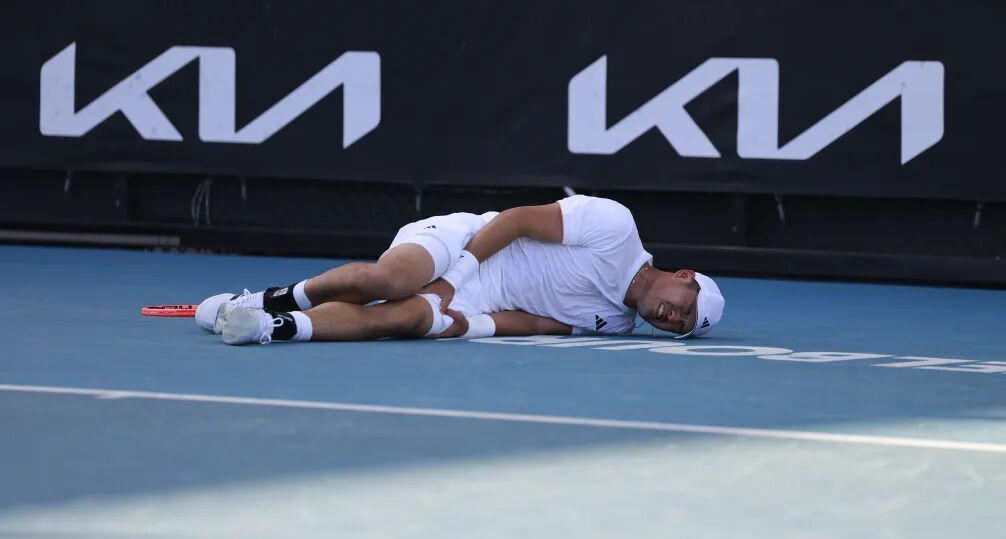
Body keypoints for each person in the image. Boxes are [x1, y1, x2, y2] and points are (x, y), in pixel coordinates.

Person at [196, 195, 725, 345]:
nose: (672, 318)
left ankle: (268, 327)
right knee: (389, 282)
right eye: (686, 308)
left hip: (478, 299)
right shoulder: (616, 226)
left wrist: (470, 324)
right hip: (465, 242)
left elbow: (537, 322)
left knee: (405, 317)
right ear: (685, 276)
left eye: (681, 327)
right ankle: (267, 298)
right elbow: (516, 220)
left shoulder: (618, 324)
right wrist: (451, 280)